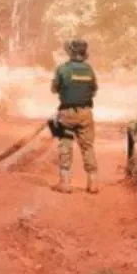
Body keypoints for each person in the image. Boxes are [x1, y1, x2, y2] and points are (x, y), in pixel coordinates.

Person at [50, 38, 99, 195]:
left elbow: (54, 89)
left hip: (66, 113)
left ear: (71, 52)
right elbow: (94, 90)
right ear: (85, 53)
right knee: (87, 146)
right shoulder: (89, 70)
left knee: (65, 144)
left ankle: (65, 183)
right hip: (85, 113)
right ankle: (93, 183)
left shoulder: (62, 69)